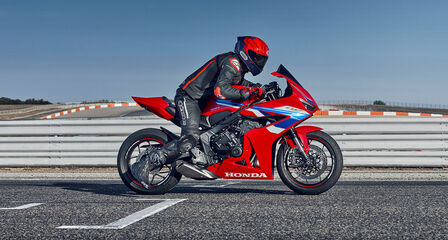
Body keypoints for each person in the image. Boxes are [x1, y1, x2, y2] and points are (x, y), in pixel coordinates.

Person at [131, 36, 269, 186]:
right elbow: (221, 89)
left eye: (262, 60)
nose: (259, 62)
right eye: (257, 58)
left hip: (203, 101)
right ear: (245, 53)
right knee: (190, 139)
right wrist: (247, 93)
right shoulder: (232, 63)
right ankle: (146, 162)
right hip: (189, 97)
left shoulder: (238, 69)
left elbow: (239, 83)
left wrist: (260, 89)